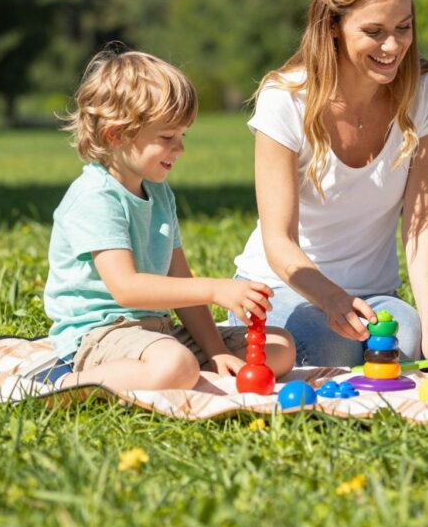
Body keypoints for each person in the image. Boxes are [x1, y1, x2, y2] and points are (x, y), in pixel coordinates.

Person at [230, 0, 428, 366]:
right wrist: (332, 299)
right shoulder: (286, 98)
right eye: (374, 32)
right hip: (287, 287)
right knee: (330, 346)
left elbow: (423, 219)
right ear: (334, 25)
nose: (393, 47)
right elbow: (277, 240)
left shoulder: (424, 92)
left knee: (406, 338)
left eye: (404, 27)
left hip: (373, 293)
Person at [44, 48, 295, 392]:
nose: (180, 149)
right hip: (102, 335)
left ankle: (182, 373)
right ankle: (63, 382)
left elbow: (180, 282)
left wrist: (216, 350)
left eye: (182, 136)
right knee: (176, 365)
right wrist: (215, 288)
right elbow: (127, 288)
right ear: (115, 135)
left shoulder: (159, 194)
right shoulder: (95, 197)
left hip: (156, 331)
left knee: (280, 346)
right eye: (166, 138)